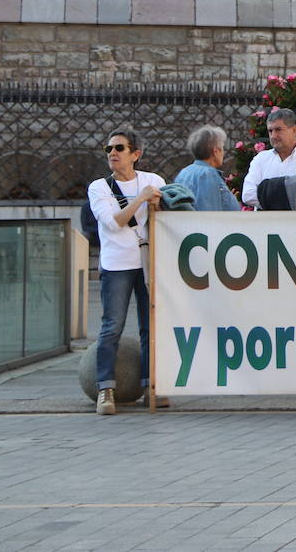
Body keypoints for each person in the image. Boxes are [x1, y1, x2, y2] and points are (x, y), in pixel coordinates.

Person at [88, 128, 166, 415]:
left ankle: (151, 386)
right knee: (112, 327)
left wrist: (155, 202)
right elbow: (114, 222)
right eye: (109, 149)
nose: (112, 153)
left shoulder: (153, 181)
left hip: (147, 262)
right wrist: (141, 199)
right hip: (116, 265)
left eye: (119, 148)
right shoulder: (99, 187)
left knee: (150, 326)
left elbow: (163, 215)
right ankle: (105, 388)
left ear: (136, 154)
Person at [241, 108, 296, 209]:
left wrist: (264, 193)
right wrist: (290, 192)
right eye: (270, 131)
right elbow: (247, 195)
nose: (273, 136)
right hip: (267, 224)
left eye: (278, 130)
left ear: (294, 130)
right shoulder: (261, 159)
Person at [173, 125, 241, 211]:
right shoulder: (207, 174)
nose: (223, 153)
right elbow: (209, 214)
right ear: (215, 151)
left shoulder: (184, 172)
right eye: (223, 148)